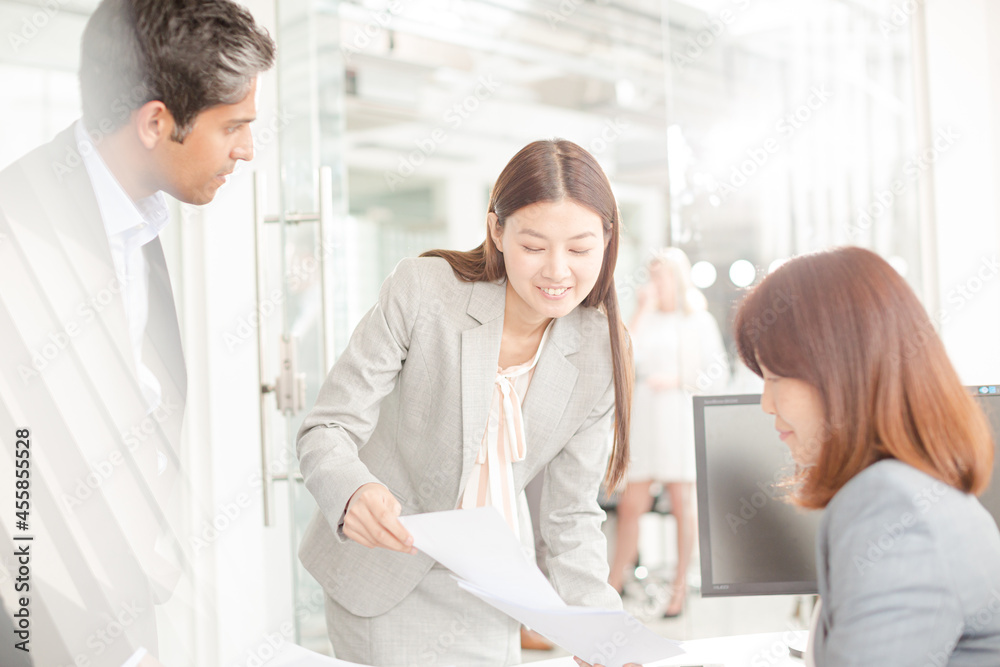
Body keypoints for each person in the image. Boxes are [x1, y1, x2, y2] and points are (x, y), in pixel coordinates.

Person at [0, 1, 274, 665]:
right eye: (233, 125)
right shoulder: (21, 230)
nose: (247, 148)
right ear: (156, 121)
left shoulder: (137, 222)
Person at [296, 139, 638, 667]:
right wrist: (353, 492)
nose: (556, 271)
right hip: (385, 571)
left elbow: (570, 513)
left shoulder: (601, 347)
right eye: (533, 246)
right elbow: (328, 428)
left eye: (579, 248)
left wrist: (597, 627)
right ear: (497, 231)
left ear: (607, 240)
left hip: (492, 585)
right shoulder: (425, 292)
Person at [732, 246, 1000, 665]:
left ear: (842, 375)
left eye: (776, 377)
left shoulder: (890, 502)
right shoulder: (914, 489)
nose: (767, 403)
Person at [608, 248, 727, 617]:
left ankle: (679, 588)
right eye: (650, 275)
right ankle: (612, 584)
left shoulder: (697, 320)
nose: (654, 282)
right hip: (646, 418)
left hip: (676, 414)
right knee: (631, 506)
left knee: (681, 505)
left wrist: (678, 380)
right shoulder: (648, 317)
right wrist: (641, 308)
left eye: (659, 275)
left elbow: (716, 373)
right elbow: (623, 352)